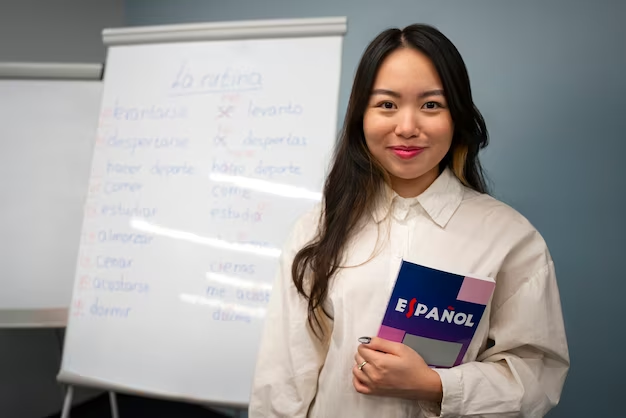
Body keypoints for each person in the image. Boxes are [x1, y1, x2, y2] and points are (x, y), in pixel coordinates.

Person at [248, 23, 569, 418]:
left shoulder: (510, 238)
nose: (406, 127)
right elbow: (282, 379)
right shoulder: (317, 230)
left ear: (457, 117)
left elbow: (536, 376)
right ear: (360, 116)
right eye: (386, 104)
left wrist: (435, 386)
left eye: (431, 105)